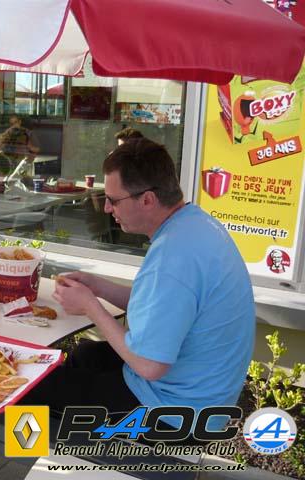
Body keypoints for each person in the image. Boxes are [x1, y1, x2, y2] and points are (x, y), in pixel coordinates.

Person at [23, 138, 255, 433]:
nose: (106, 208)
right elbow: (165, 306)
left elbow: (150, 366)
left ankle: (38, 450)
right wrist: (98, 287)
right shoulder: (194, 224)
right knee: (85, 355)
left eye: (113, 200)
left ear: (147, 199)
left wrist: (91, 307)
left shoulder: (173, 256)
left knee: (31, 386)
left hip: (175, 415)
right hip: (199, 394)